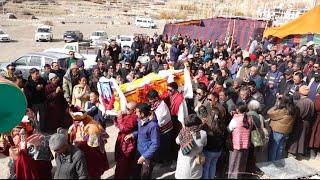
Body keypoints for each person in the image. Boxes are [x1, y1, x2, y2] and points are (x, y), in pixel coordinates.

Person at [67, 108, 109, 178]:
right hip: (80, 152)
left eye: (78, 121)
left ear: (84, 119)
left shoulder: (93, 127)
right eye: (74, 121)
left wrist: (80, 144)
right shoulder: (73, 126)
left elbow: (93, 146)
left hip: (92, 153)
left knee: (92, 172)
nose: (76, 123)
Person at [125, 103, 160, 179]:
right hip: (139, 151)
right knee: (135, 172)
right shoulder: (140, 120)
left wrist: (144, 156)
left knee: (145, 175)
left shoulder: (153, 126)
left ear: (142, 114)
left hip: (147, 155)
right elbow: (141, 132)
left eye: (137, 112)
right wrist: (133, 134)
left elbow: (155, 144)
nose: (135, 113)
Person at [175, 114, 207, 179]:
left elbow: (177, 141)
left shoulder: (183, 132)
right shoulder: (202, 133)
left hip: (182, 168)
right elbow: (204, 144)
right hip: (194, 168)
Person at [287, 85, 316, 159]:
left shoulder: (300, 103)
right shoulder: (311, 102)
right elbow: (313, 114)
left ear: (300, 93)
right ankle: (300, 153)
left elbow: (297, 115)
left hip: (299, 122)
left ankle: (292, 152)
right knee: (303, 138)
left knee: (296, 137)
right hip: (307, 123)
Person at [267, 95, 298, 161]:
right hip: (286, 132)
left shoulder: (283, 110)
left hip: (277, 131)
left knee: (273, 148)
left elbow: (269, 113)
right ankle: (278, 161)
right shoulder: (294, 109)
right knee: (280, 148)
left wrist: (277, 104)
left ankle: (272, 164)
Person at [198, 105, 225, 179]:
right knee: (213, 166)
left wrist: (202, 124)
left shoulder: (207, 125)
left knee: (206, 168)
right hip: (218, 151)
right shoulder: (222, 123)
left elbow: (198, 133)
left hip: (208, 150)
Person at [148, 89, 173, 164]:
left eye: (150, 99)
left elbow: (160, 120)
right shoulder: (155, 104)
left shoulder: (162, 107)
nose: (149, 101)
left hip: (165, 130)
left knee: (165, 146)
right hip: (160, 129)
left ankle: (168, 162)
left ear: (156, 98)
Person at [227, 105, 253, 179]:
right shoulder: (249, 118)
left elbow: (229, 129)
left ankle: (232, 177)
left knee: (234, 161)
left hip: (236, 144)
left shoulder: (235, 119)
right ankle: (239, 176)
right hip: (246, 144)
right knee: (241, 162)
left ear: (238, 110)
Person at [114, 102, 138, 179]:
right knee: (120, 160)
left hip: (127, 143)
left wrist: (120, 117)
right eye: (126, 108)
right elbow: (119, 125)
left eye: (128, 109)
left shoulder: (134, 117)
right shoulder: (129, 114)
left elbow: (124, 129)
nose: (126, 110)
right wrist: (117, 118)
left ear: (134, 110)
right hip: (122, 139)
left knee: (124, 162)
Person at [309, 88, 320, 159]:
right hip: (317, 119)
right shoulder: (318, 98)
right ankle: (312, 151)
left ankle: (317, 152)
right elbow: (317, 107)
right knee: (315, 134)